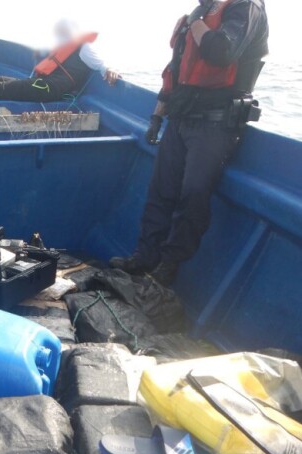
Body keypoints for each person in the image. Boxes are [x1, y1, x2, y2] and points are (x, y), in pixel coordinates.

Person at [110, 0, 269, 286]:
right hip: (180, 120)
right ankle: (144, 257)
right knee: (161, 190)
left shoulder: (245, 7)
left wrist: (197, 21)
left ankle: (168, 267)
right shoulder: (196, 16)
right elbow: (174, 72)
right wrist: (157, 117)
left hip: (216, 124)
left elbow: (222, 51)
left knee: (193, 194)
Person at [0, 19, 119, 103]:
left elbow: (101, 65)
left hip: (49, 89)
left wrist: (109, 70)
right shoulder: (68, 48)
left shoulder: (84, 48)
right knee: (0, 79)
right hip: (45, 85)